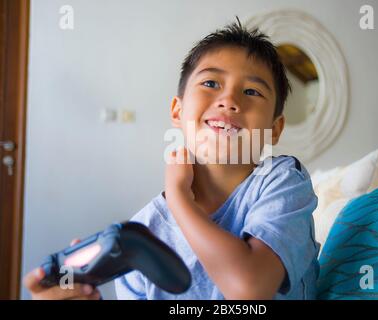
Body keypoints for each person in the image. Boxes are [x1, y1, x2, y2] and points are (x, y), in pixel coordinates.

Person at [24, 18, 319, 300]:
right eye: (211, 84)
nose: (229, 100)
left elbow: (250, 288)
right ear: (178, 111)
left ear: (274, 129)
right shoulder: (142, 234)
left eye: (251, 91)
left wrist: (180, 200)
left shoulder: (283, 180)